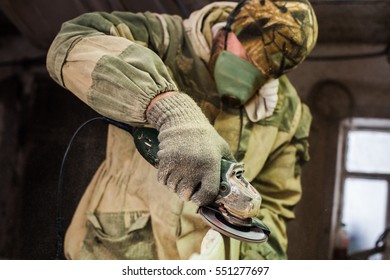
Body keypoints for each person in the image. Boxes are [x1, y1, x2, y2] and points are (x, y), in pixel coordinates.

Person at [46, 0, 318, 260]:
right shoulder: (163, 38)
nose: (251, 71)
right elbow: (71, 41)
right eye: (246, 54)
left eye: (265, 69)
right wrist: (167, 108)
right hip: (114, 247)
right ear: (229, 25)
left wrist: (252, 264)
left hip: (201, 260)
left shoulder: (288, 113)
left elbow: (273, 206)